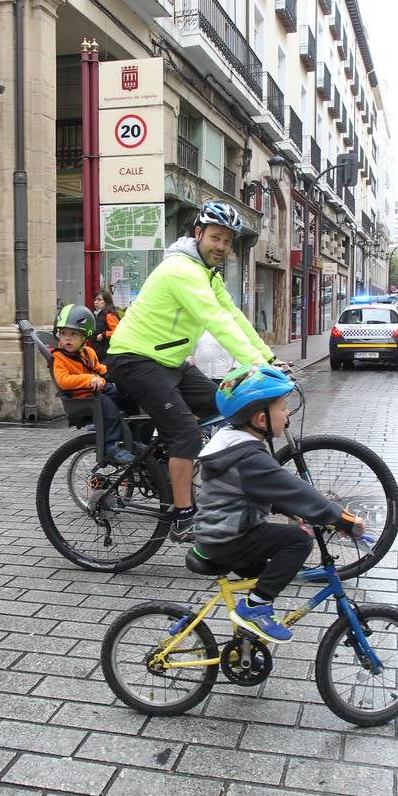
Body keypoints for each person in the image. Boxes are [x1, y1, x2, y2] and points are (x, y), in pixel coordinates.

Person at [105, 201, 284, 540]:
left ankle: (170, 461)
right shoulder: (181, 270)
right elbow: (214, 321)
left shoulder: (206, 274)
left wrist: (267, 358)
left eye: (227, 241)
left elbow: (232, 315)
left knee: (226, 403)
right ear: (198, 233)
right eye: (216, 237)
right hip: (134, 359)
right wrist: (254, 365)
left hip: (169, 362)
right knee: (185, 434)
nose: (222, 246)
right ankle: (183, 515)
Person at [190, 365, 365, 643]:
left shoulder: (235, 444)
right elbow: (294, 489)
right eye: (283, 408)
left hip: (219, 534)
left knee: (267, 574)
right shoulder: (249, 457)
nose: (287, 413)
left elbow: (253, 493)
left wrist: (291, 510)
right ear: (261, 419)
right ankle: (256, 610)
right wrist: (340, 518)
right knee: (297, 541)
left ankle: (246, 640)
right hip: (227, 539)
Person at [50, 304, 132, 464]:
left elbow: (99, 369)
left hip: (96, 389)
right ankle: (111, 446)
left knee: (124, 395)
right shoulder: (59, 358)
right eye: (63, 333)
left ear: (85, 337)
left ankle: (131, 435)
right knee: (107, 405)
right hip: (83, 396)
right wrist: (89, 379)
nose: (67, 338)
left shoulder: (88, 353)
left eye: (73, 334)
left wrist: (118, 373)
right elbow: (63, 381)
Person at [90, 289, 121, 360]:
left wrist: (104, 335)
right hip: (97, 353)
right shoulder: (95, 314)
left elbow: (118, 332)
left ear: (106, 302)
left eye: (99, 300)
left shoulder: (109, 315)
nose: (96, 302)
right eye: (95, 300)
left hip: (107, 354)